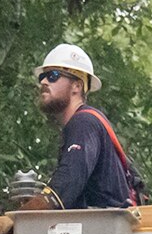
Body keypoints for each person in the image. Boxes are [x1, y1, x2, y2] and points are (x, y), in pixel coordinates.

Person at [28, 42, 140, 210]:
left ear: (77, 86)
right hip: (97, 228)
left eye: (53, 75)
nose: (43, 81)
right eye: (42, 77)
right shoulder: (83, 124)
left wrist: (20, 218)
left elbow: (69, 181)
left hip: (102, 231)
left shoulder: (84, 122)